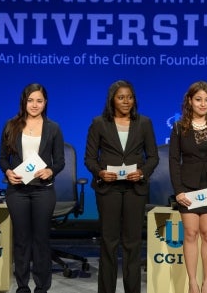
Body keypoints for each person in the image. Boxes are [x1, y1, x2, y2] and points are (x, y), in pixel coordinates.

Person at [84, 80, 159, 293]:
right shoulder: (99, 123)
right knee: (109, 242)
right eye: (121, 97)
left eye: (129, 97)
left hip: (135, 189)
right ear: (112, 100)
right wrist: (100, 172)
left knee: (132, 244)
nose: (126, 101)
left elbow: (153, 157)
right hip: (108, 189)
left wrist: (143, 172)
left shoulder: (144, 123)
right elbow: (89, 158)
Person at [0, 83, 65, 293]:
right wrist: (8, 172)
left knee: (41, 239)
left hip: (43, 190)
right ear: (24, 102)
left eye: (39, 101)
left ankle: (42, 286)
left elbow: (60, 161)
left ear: (45, 103)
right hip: (17, 191)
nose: (34, 105)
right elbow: (2, 158)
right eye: (30, 100)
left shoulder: (53, 128)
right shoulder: (11, 125)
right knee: (21, 239)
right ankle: (22, 285)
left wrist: (50, 171)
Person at [169, 81, 207, 293]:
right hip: (187, 187)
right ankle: (193, 282)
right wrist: (178, 191)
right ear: (189, 101)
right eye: (198, 99)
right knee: (190, 233)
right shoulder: (178, 127)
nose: (203, 104)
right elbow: (173, 160)